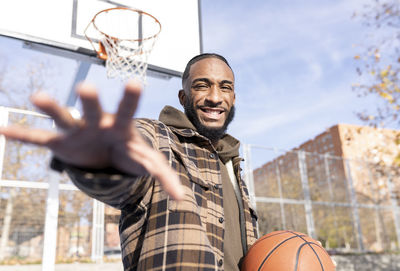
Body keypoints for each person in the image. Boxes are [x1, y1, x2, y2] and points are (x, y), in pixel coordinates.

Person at [0, 53, 258, 270]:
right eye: (202, 85)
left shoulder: (233, 166)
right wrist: (104, 159)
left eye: (225, 87)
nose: (215, 96)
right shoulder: (157, 138)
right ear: (183, 97)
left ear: (233, 97)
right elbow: (130, 162)